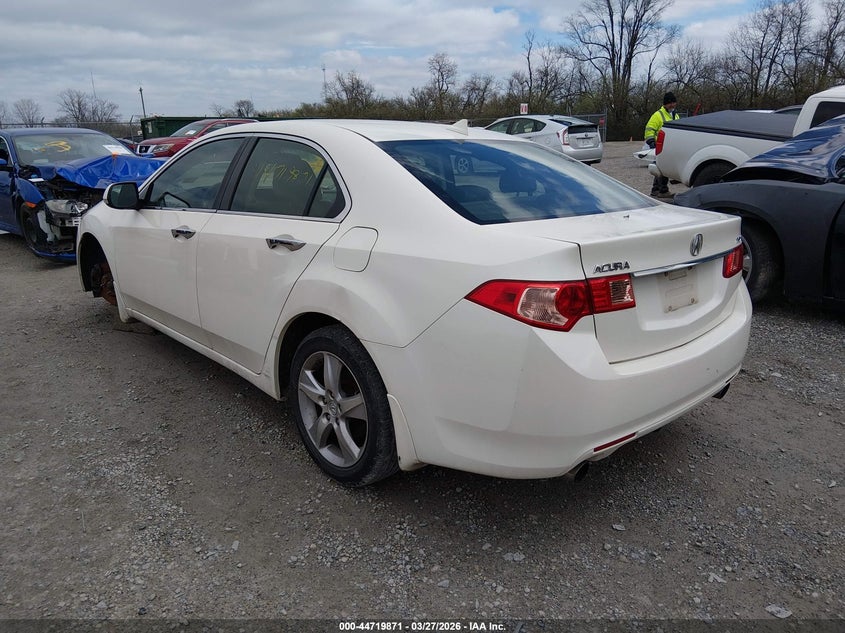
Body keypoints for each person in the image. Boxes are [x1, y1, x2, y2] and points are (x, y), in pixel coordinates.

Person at [644, 91, 679, 198]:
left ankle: (656, 189)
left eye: (674, 102)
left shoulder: (675, 115)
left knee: (662, 169)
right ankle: (662, 190)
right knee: (662, 169)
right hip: (660, 146)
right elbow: (649, 129)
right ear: (665, 104)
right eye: (670, 103)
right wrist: (652, 142)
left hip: (670, 147)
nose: (672, 105)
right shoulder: (657, 115)